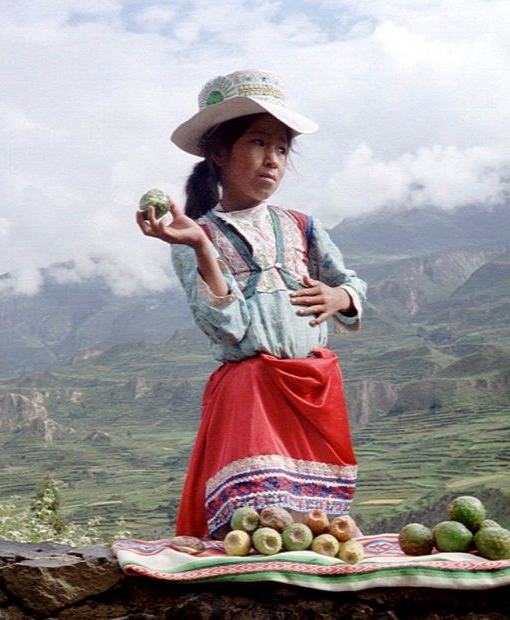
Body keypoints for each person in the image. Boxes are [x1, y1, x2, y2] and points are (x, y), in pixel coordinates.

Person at [137, 69, 367, 539]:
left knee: (316, 529)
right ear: (219, 153)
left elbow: (349, 282)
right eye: (259, 143)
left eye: (282, 148)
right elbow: (228, 331)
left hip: (312, 386)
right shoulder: (199, 237)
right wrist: (202, 248)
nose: (273, 160)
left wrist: (339, 296)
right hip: (251, 395)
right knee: (260, 526)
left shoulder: (302, 225)